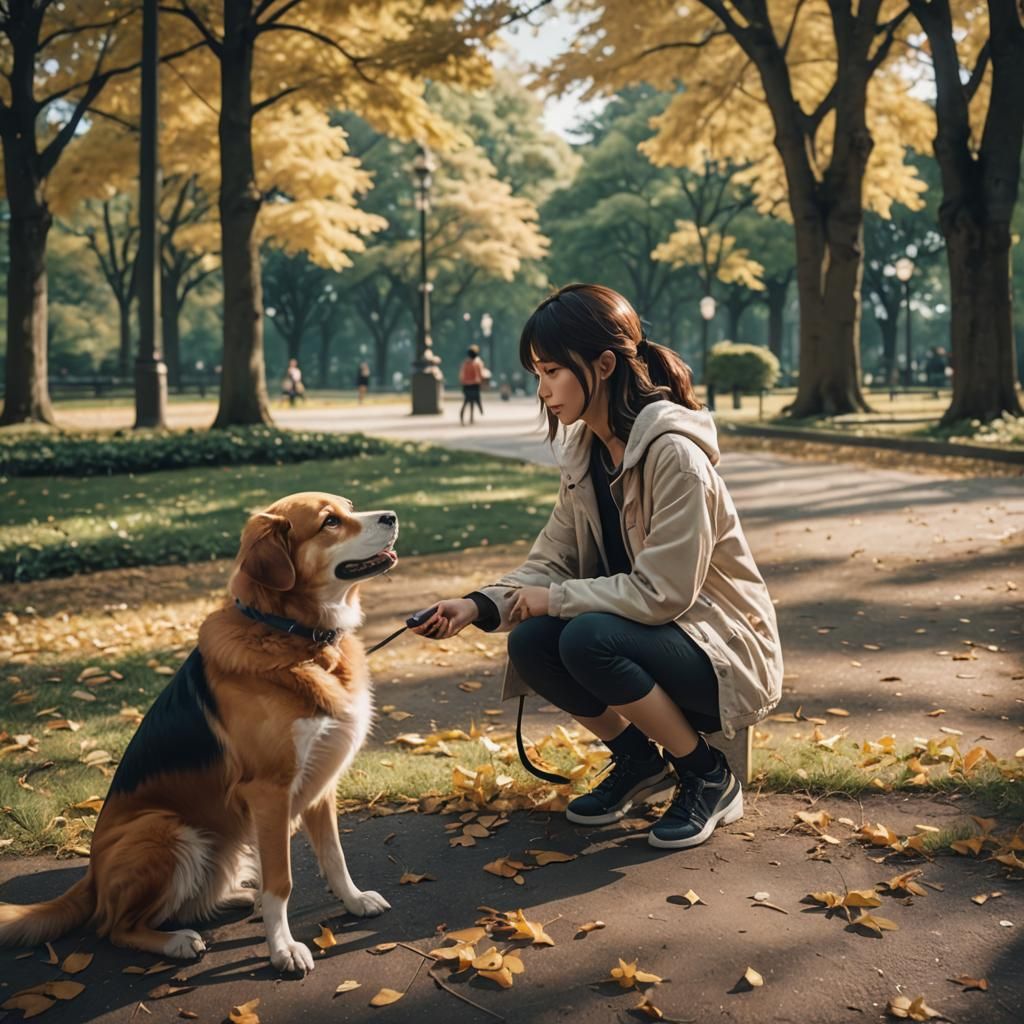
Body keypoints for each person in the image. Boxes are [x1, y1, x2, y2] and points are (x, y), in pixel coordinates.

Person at [410, 283, 782, 850]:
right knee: (531, 641)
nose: (543, 391)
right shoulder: (585, 455)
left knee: (584, 636)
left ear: (604, 365)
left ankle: (708, 775)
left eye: (554, 371)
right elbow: (550, 561)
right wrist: (476, 605)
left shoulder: (676, 458)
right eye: (537, 373)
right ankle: (639, 761)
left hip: (721, 650)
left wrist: (557, 600)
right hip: (660, 637)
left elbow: (664, 592)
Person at [459, 344, 487, 426]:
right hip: (474, 385)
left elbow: (461, 375)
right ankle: (477, 413)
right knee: (475, 400)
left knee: (466, 402)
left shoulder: (465, 363)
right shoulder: (478, 363)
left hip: (466, 385)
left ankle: (467, 418)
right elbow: (481, 375)